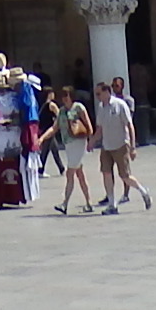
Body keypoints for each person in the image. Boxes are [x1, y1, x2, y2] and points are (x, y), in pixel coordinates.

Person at [96, 78, 145, 215]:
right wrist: (92, 141)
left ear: (106, 92)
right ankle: (112, 204)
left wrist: (133, 147)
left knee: (125, 176)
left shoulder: (120, 105)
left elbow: (130, 125)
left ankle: (143, 191)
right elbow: (99, 128)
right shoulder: (101, 107)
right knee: (106, 173)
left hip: (121, 145)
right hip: (106, 146)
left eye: (99, 94)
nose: (97, 96)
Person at [48, 86, 99, 214]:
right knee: (80, 175)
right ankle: (89, 203)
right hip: (69, 145)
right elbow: (54, 128)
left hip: (79, 143)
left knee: (70, 173)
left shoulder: (79, 107)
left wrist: (91, 141)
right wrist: (42, 138)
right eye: (63, 96)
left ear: (71, 96)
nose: (64, 98)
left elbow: (88, 125)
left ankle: (64, 204)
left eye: (67, 95)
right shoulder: (62, 111)